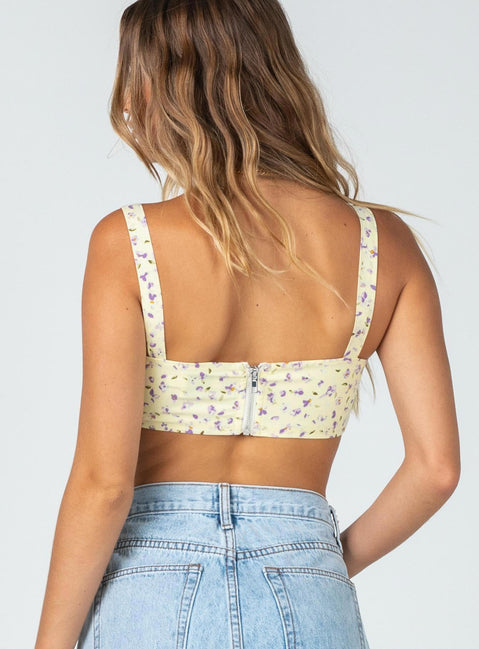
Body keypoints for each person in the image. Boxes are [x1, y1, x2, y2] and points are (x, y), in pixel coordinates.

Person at [34, 1, 460, 648]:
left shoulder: (129, 243)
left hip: (152, 584)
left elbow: (104, 485)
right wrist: (313, 563)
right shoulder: (384, 245)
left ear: (159, 88)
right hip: (306, 583)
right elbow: (436, 468)